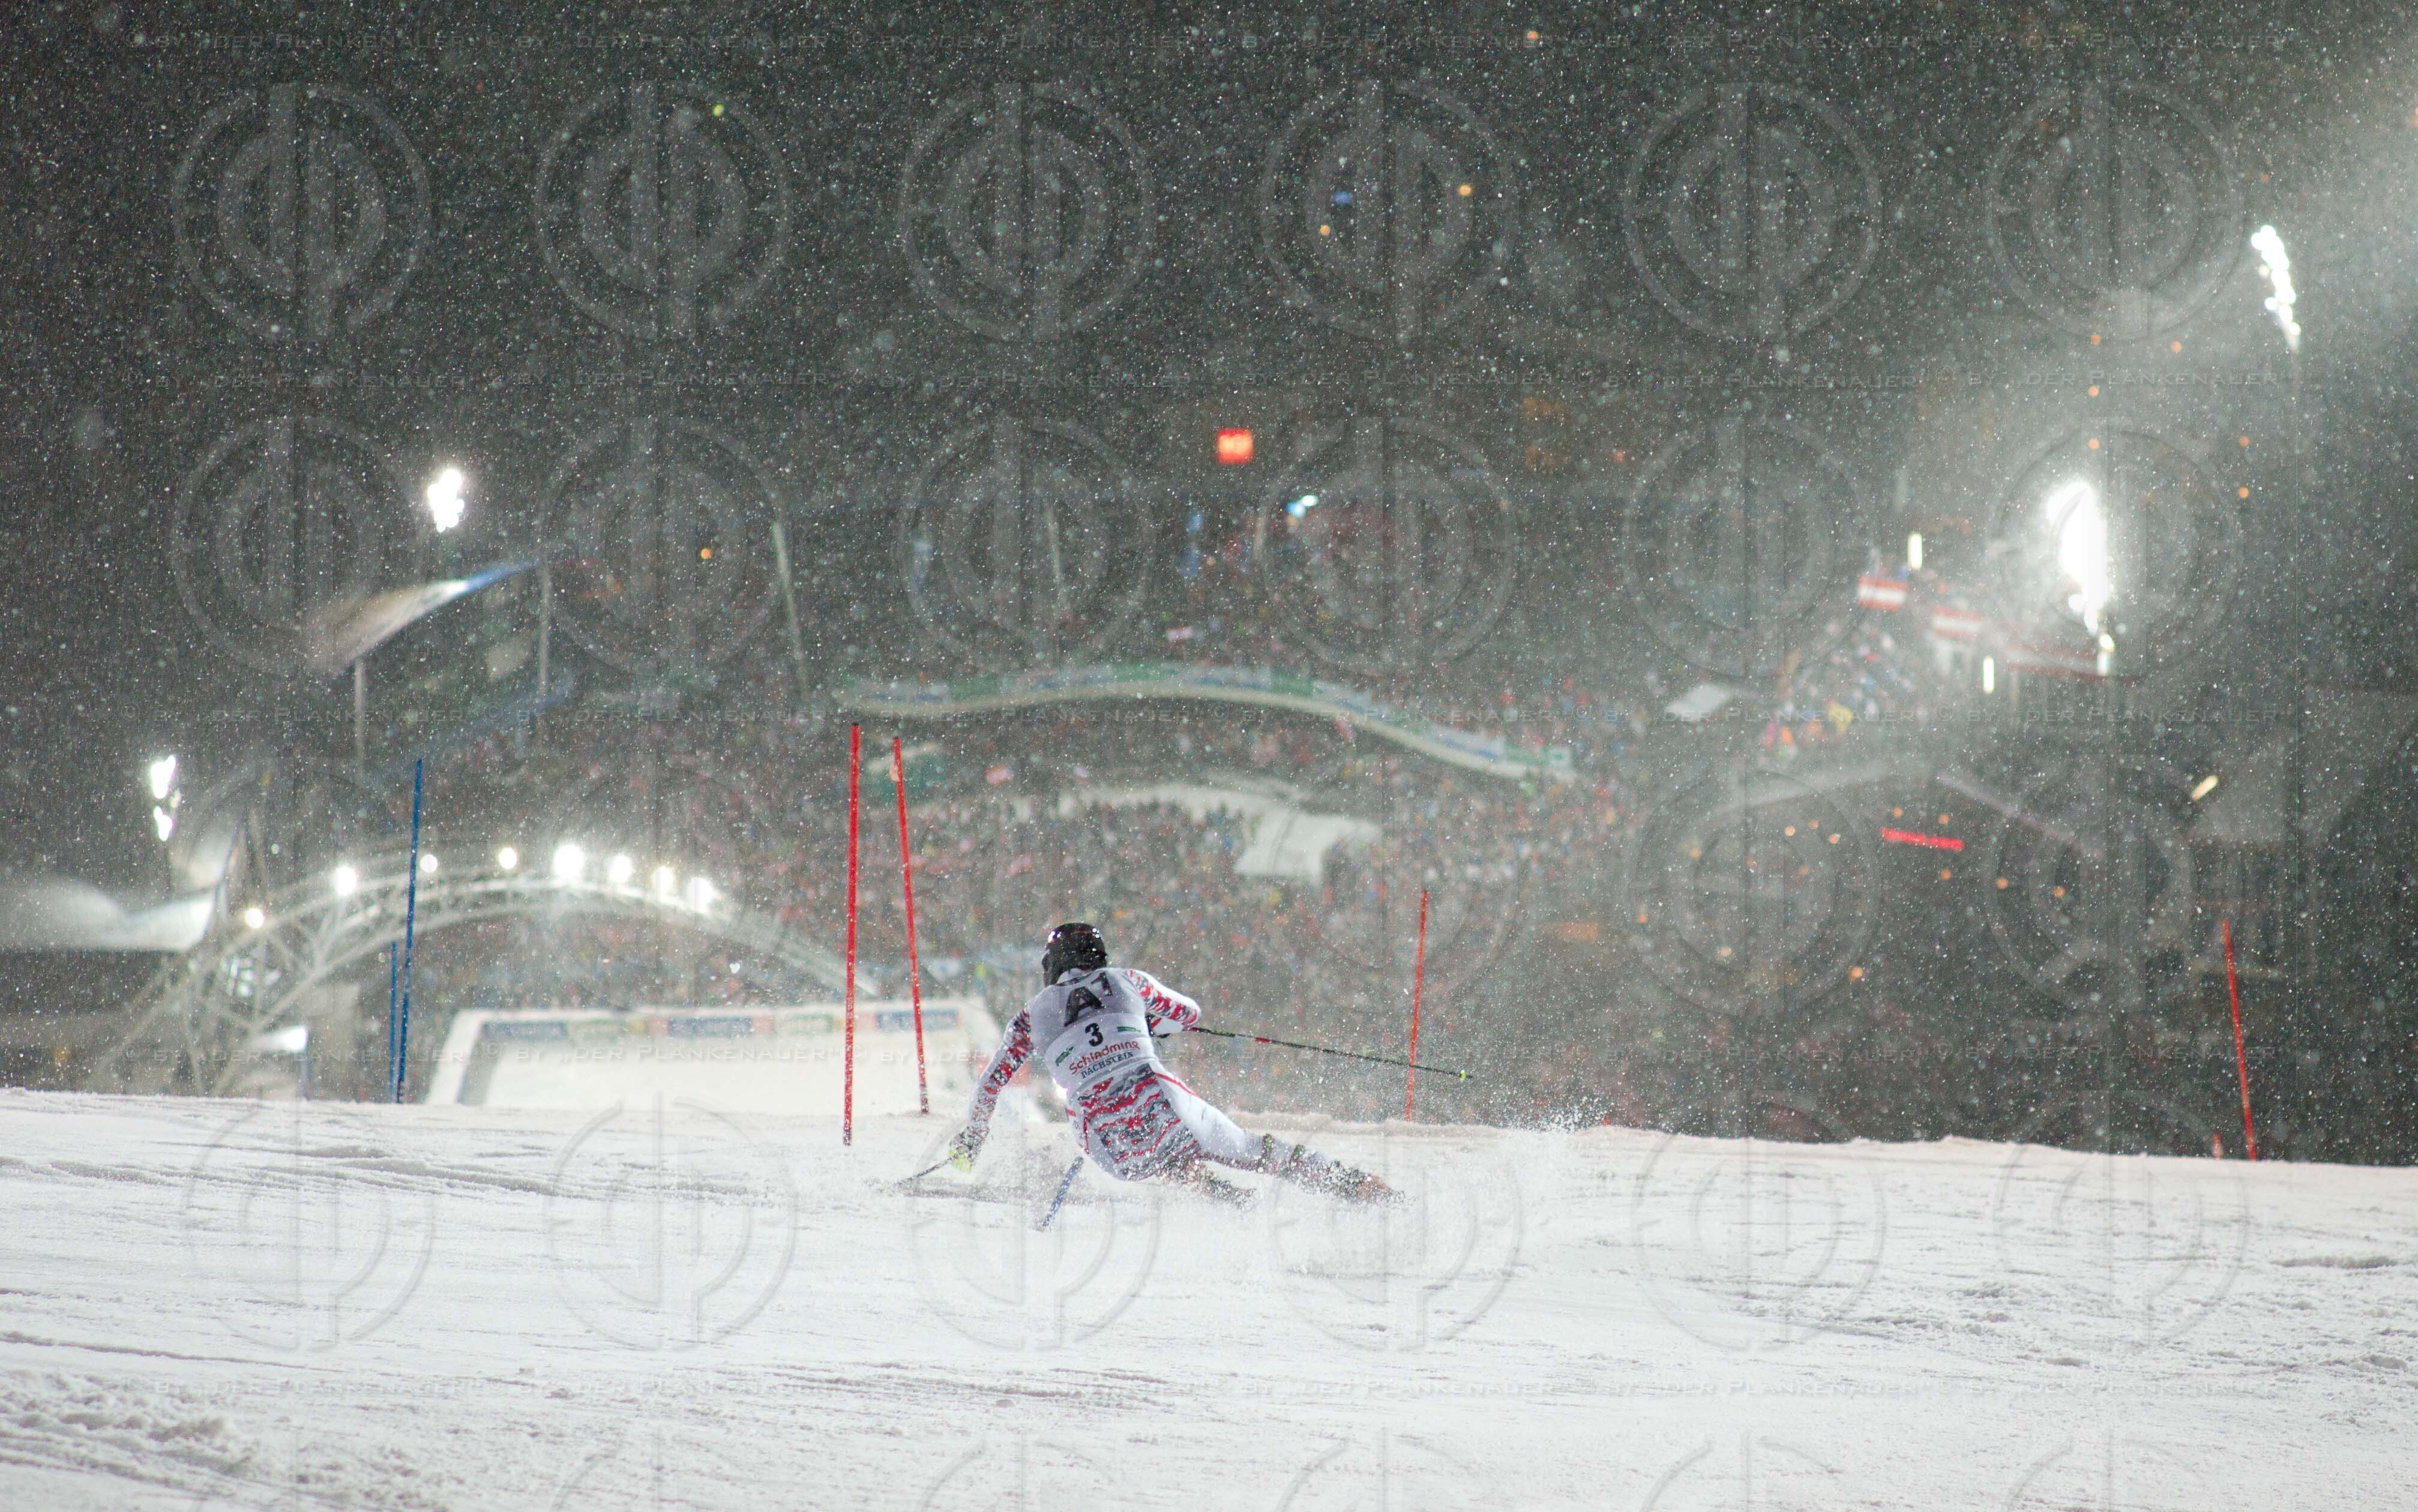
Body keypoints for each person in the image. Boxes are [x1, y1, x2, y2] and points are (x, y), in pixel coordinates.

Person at [947, 922, 1395, 1206]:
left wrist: (972, 1138)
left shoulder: (1028, 1017)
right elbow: (1189, 1014)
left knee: (1158, 1155)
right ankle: (1361, 1188)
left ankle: (1222, 1197)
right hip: (1158, 1096)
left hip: (1103, 1141)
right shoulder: (1127, 979)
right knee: (1250, 1150)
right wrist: (1149, 1024)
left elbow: (989, 1085)